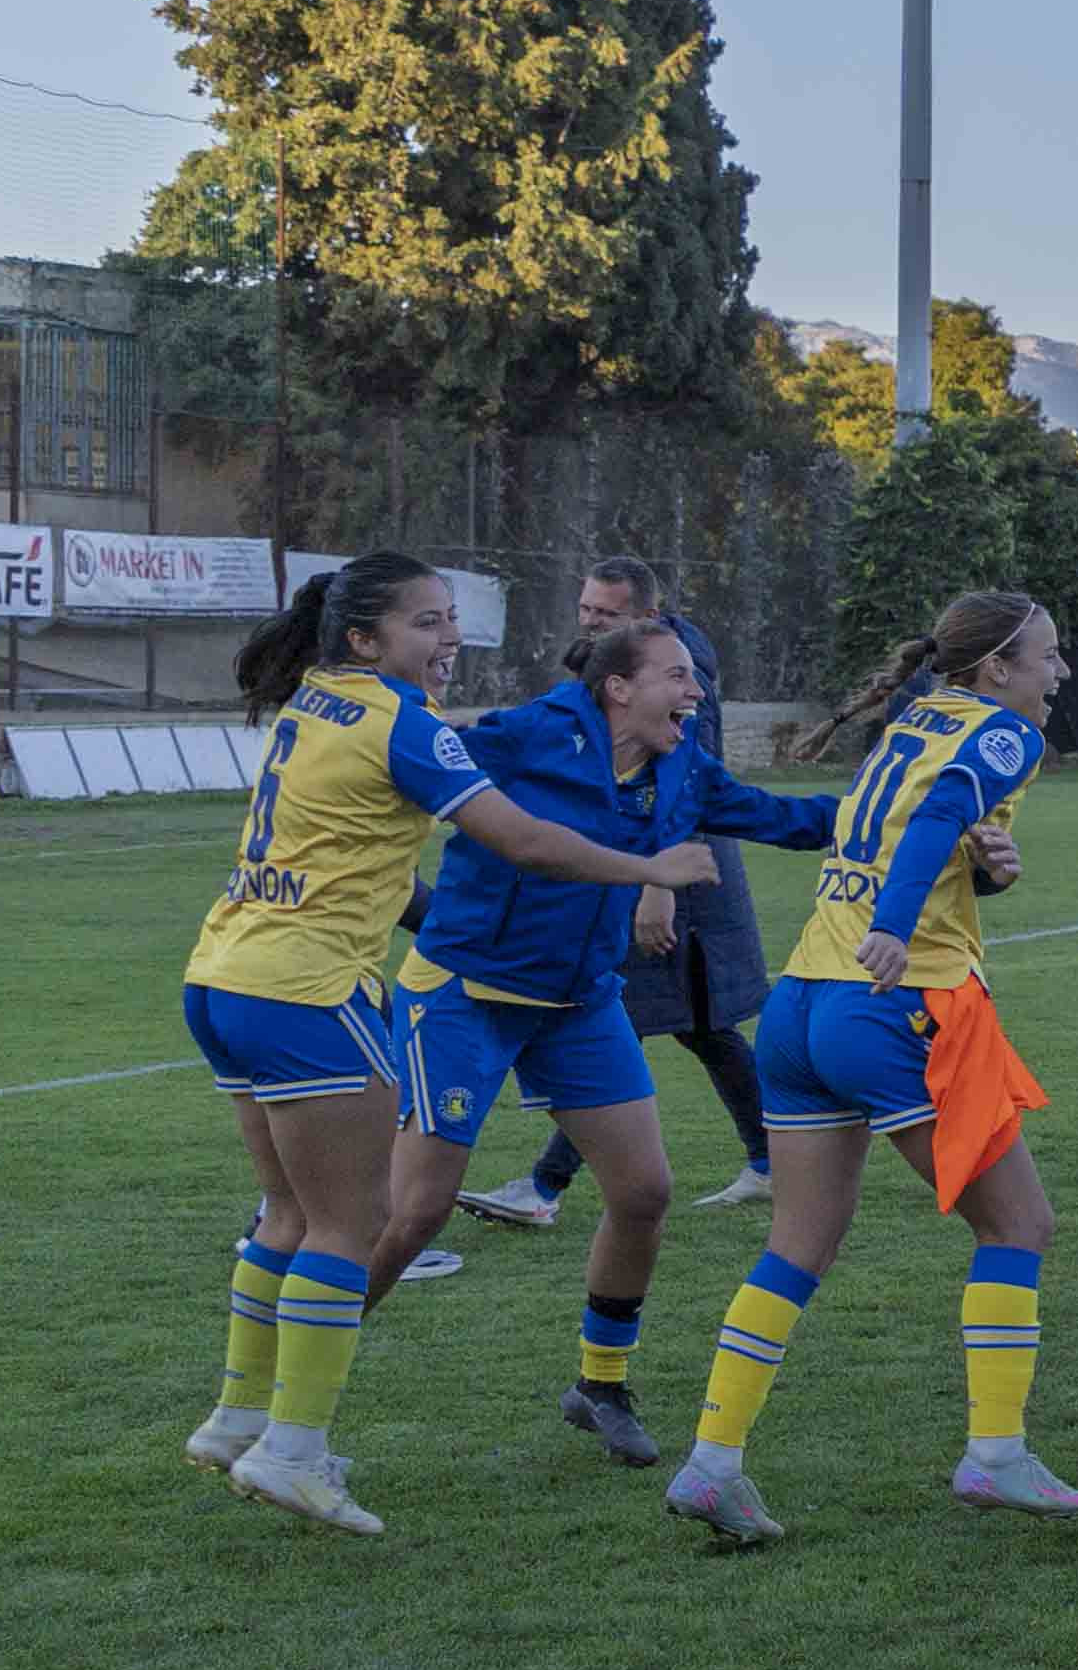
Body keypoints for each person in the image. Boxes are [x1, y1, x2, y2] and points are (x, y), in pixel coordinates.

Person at [180, 554, 719, 1538]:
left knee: (290, 1212)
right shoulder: (403, 723)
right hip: (308, 990)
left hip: (222, 972)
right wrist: (651, 866)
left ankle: (235, 1415)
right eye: (427, 624)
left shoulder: (315, 696)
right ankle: (292, 1450)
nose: (449, 640)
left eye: (449, 620)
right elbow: (525, 841)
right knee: (356, 1222)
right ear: (364, 638)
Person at [356, 617, 844, 1463]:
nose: (696, 694)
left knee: (645, 1190)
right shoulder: (527, 735)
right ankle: (295, 1378)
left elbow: (792, 818)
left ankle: (600, 1383)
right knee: (415, 1211)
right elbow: (403, 777)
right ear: (618, 687)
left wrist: (920, 820)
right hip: (466, 992)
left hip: (580, 1000)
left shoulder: (683, 768)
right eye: (678, 677)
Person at [664, 590, 1078, 1548]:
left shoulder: (915, 719)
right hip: (890, 1003)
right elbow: (938, 816)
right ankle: (995, 1455)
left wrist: (986, 870)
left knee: (796, 1245)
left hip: (802, 1001)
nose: (1060, 674)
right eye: (1049, 658)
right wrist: (895, 930)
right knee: (1019, 1223)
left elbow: (917, 834)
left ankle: (712, 1463)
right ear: (996, 670)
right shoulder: (1004, 733)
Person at [460, 557, 779, 1231]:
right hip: (662, 868)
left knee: (614, 1015)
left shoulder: (675, 672)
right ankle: (773, 1157)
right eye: (585, 610)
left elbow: (685, 779)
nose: (589, 622)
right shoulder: (639, 664)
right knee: (701, 1025)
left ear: (646, 616)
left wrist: (654, 890)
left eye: (605, 614)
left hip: (670, 875)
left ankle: (544, 1186)